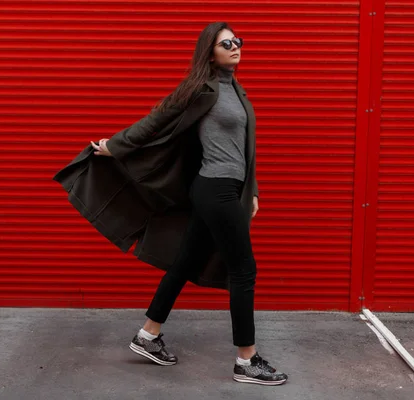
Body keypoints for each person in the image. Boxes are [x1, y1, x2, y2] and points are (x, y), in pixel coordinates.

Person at [85, 22, 288, 386]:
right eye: (227, 43)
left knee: (185, 262)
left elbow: (244, 147)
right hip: (216, 189)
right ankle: (247, 360)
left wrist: (252, 188)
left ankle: (147, 335)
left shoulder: (235, 89)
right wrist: (115, 144)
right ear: (209, 52)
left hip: (227, 188)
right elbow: (155, 120)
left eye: (238, 41)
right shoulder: (201, 89)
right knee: (243, 270)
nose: (236, 46)